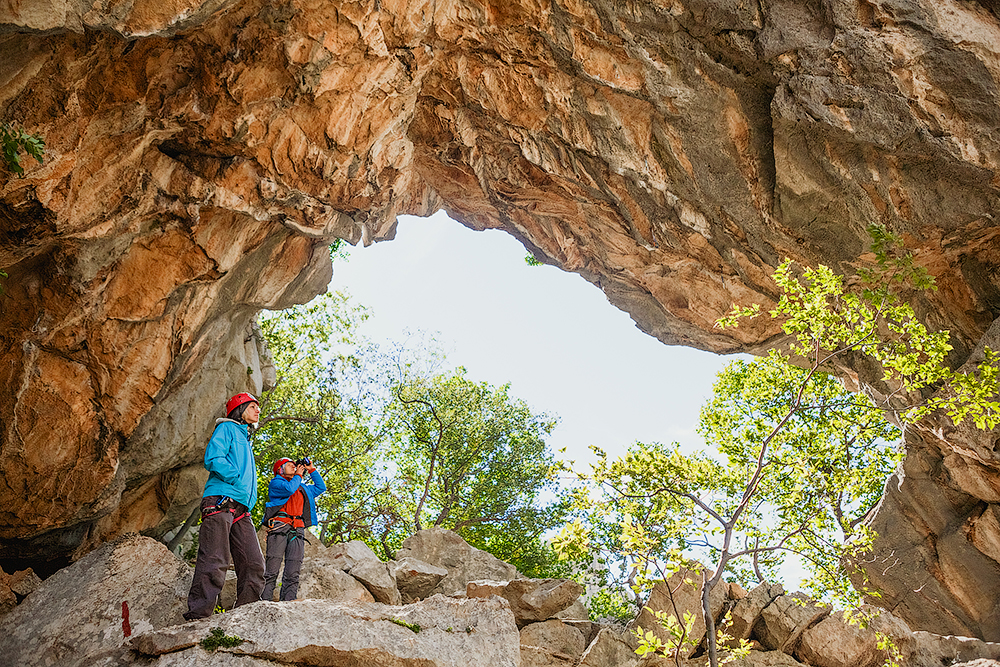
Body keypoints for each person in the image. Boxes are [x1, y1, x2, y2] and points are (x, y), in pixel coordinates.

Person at [183, 392, 265, 620]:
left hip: (241, 509)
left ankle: (244, 616)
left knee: (254, 564)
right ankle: (198, 616)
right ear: (239, 409)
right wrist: (235, 477)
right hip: (220, 500)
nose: (258, 411)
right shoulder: (227, 429)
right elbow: (213, 458)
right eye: (252, 407)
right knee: (215, 559)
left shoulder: (245, 439)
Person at [260, 456, 326, 601]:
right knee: (271, 570)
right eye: (289, 465)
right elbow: (289, 489)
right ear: (279, 470)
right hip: (279, 527)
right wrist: (299, 475)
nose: (293, 467)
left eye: (293, 465)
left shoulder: (302, 488)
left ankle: (288, 603)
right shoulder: (276, 482)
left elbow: (321, 487)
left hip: (298, 529)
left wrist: (311, 470)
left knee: (293, 571)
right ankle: (263, 603)